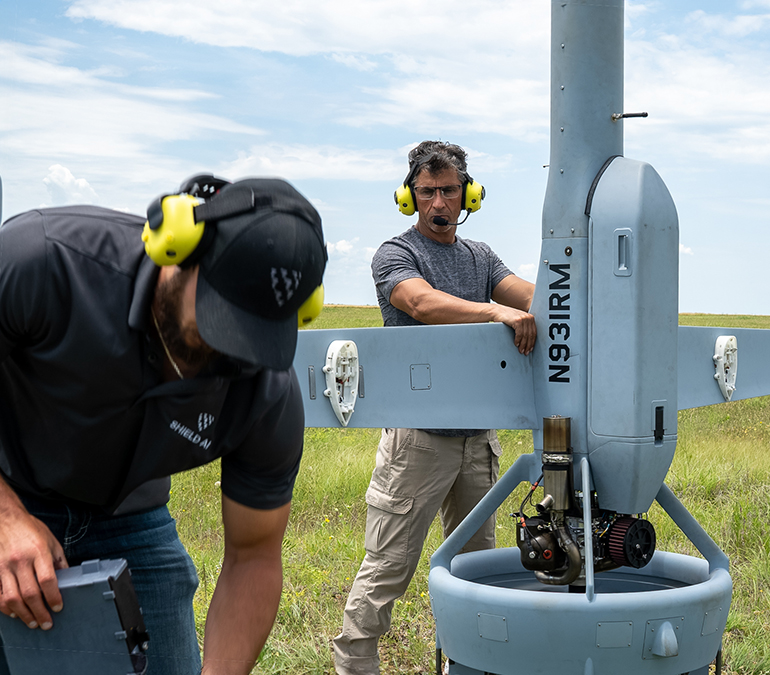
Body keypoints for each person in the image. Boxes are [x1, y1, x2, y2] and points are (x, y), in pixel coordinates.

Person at [0, 175, 327, 675]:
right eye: (221, 318)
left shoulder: (265, 394)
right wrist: (4, 519)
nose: (228, 354)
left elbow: (253, 556)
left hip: (129, 516)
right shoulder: (45, 262)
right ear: (178, 247)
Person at [332, 141, 536, 675]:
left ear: (468, 193)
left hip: (478, 443)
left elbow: (532, 297)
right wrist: (495, 312)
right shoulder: (395, 254)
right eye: (427, 191)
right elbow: (420, 303)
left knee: (476, 571)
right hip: (417, 442)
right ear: (410, 196)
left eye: (448, 190)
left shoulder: (481, 257)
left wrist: (575, 294)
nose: (439, 202)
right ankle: (355, 666)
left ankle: (467, 665)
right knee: (388, 571)